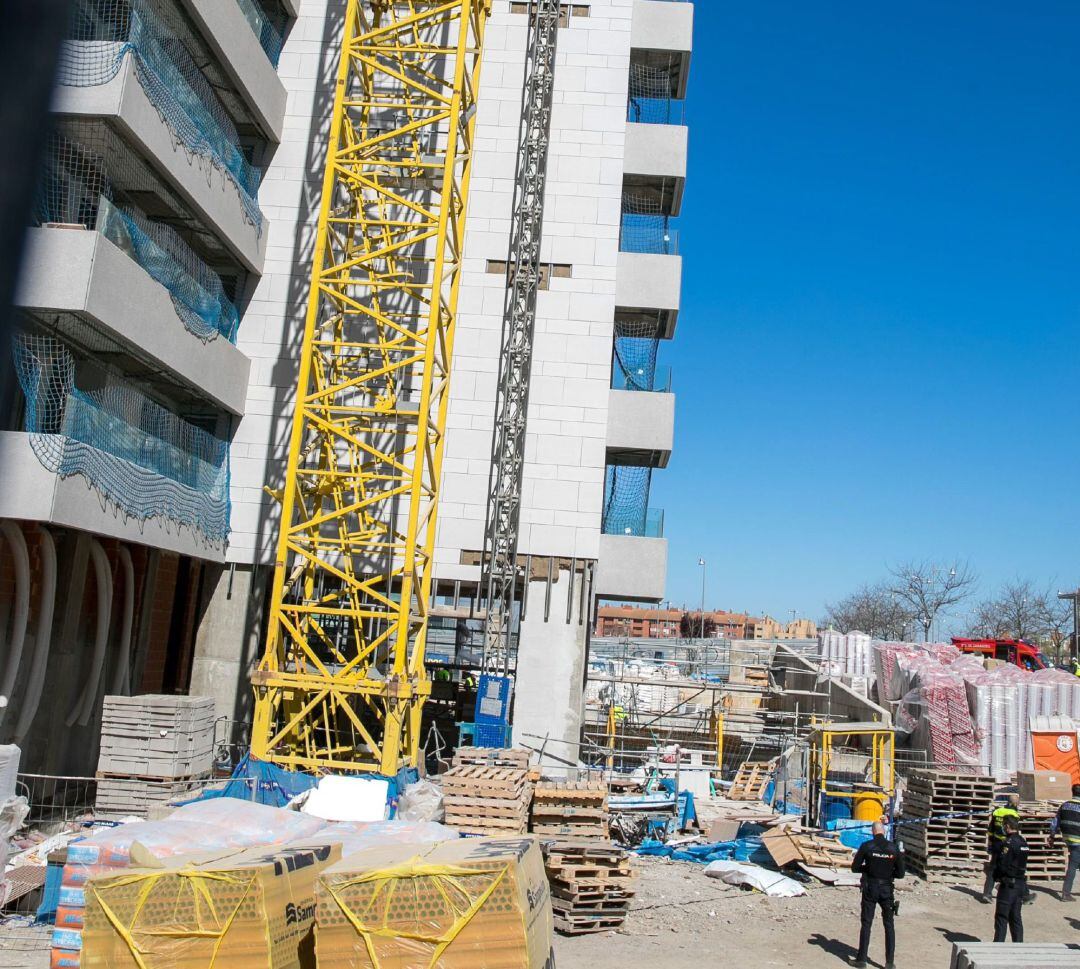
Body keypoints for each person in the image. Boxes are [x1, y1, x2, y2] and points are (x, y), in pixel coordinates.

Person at [851, 819, 905, 969]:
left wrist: (867, 869)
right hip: (887, 889)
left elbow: (855, 868)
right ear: (884, 831)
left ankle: (861, 959)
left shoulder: (867, 846)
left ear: (872, 831)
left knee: (866, 923)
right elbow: (901, 874)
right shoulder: (893, 848)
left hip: (870, 887)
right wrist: (888, 872)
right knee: (889, 925)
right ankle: (889, 962)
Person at [991, 815, 1029, 942]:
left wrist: (996, 877)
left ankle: (998, 948)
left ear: (1007, 826)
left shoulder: (1009, 843)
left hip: (1008, 886)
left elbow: (1002, 864)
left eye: (1004, 826)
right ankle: (1018, 947)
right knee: (1016, 918)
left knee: (1002, 918)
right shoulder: (1023, 842)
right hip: (1020, 885)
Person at [981, 794, 1020, 903]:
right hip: (1007, 844)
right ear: (1016, 804)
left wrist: (990, 843)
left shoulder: (997, 811)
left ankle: (987, 894)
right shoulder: (1014, 814)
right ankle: (1006, 888)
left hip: (996, 843)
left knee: (993, 868)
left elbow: (990, 829)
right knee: (1010, 868)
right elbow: (1014, 831)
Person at [1048, 783, 1080, 901]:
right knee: (1072, 866)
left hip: (1068, 839)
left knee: (1075, 863)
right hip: (1078, 841)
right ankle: (1066, 894)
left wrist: (1052, 836)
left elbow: (1055, 822)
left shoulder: (1064, 805)